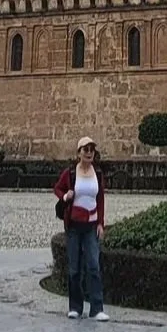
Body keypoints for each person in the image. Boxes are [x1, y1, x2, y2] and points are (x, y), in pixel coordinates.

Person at [52, 137, 109, 320]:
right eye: (85, 149)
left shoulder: (97, 174)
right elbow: (57, 188)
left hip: (91, 225)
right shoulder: (70, 173)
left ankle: (97, 308)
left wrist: (100, 223)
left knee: (93, 266)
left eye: (92, 149)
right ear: (79, 153)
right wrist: (65, 197)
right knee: (74, 269)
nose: (89, 153)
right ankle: (75, 307)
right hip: (74, 226)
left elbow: (100, 199)